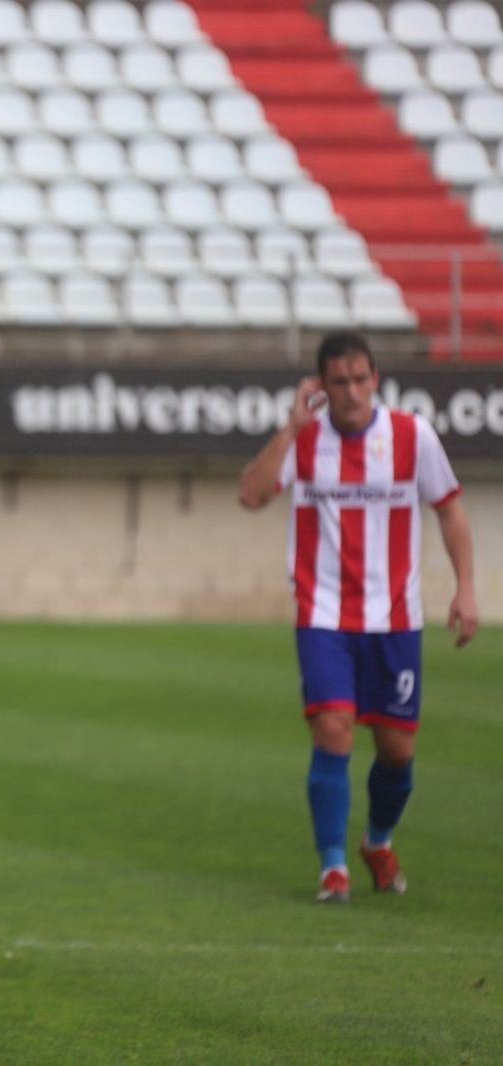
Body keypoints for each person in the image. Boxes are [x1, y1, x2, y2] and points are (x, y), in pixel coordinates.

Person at [238, 330, 478, 903]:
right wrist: (291, 425)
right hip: (322, 613)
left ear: (375, 379)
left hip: (394, 617)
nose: (351, 391)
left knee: (397, 750)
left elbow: (450, 512)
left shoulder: (411, 436)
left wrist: (466, 589)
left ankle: (378, 840)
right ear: (321, 385)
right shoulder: (304, 441)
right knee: (334, 728)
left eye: (361, 379)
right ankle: (332, 867)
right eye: (339, 382)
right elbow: (250, 495)